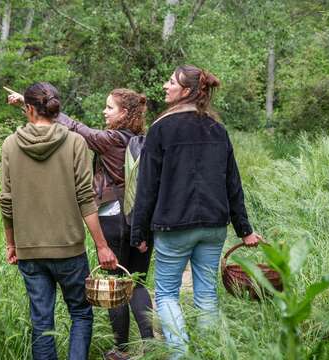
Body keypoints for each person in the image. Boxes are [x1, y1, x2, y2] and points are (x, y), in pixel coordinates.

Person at [7, 88, 154, 360]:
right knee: (139, 283)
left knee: (115, 281)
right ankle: (152, 346)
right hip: (140, 218)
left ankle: (120, 350)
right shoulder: (141, 138)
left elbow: (77, 129)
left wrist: (41, 108)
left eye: (109, 108)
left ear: (124, 113)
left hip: (114, 216)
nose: (104, 112)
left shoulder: (110, 140)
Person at [129, 65, 263, 358]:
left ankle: (180, 355)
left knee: (165, 294)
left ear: (186, 91)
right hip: (214, 225)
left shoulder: (160, 129)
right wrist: (245, 230)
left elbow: (146, 187)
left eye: (170, 82)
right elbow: (233, 184)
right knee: (206, 295)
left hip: (174, 226)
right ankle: (209, 352)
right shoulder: (218, 129)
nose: (164, 86)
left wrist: (138, 232)